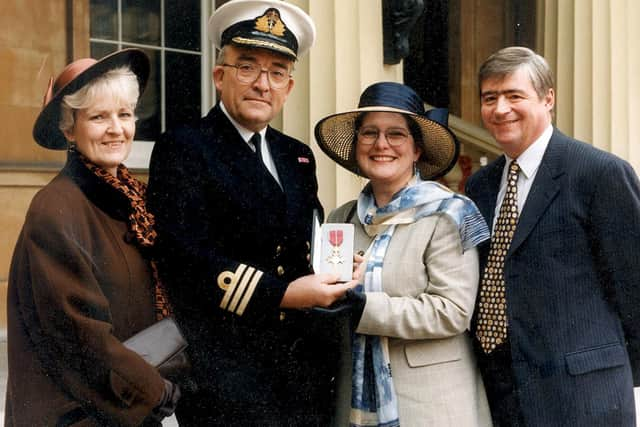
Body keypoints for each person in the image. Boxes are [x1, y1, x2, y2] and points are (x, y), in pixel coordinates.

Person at [146, 1, 356, 425]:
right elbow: (185, 260)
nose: (263, 84)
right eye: (247, 67)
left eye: (277, 72)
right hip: (226, 372)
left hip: (300, 366)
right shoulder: (184, 149)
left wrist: (336, 266)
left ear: (289, 87)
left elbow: (304, 241)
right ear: (219, 76)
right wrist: (283, 295)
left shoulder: (296, 155)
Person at [465, 46, 640, 426]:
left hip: (584, 398)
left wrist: (620, 379)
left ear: (548, 99)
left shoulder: (598, 173)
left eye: (514, 95)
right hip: (502, 394)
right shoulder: (480, 185)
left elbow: (634, 286)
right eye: (489, 98)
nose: (500, 109)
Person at [6, 49, 181, 426]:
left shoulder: (136, 200)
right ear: (70, 128)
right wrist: (157, 390)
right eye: (99, 117)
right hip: (75, 415)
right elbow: (81, 335)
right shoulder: (54, 208)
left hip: (127, 406)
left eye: (124, 114)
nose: (116, 129)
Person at [315, 81, 493, 427]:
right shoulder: (341, 219)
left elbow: (453, 312)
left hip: (433, 405)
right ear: (356, 146)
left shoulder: (449, 214)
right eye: (369, 133)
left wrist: (365, 305)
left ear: (417, 151)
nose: (381, 144)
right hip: (357, 408)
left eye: (396, 134)